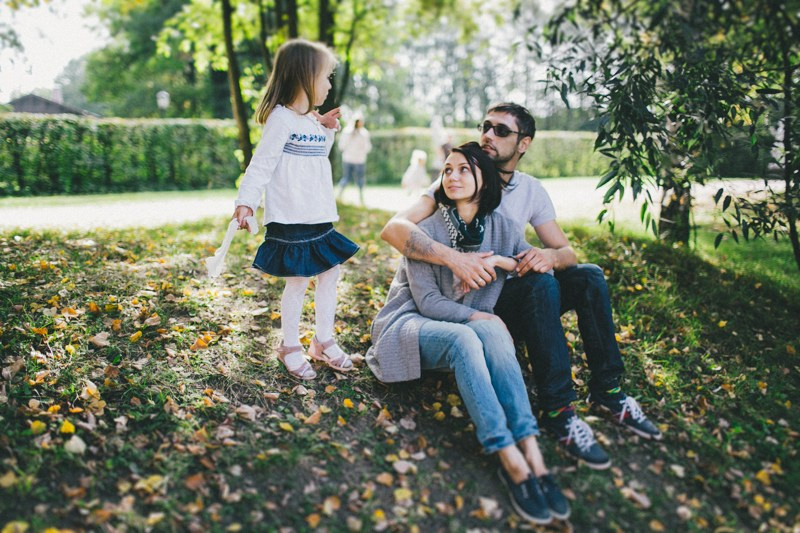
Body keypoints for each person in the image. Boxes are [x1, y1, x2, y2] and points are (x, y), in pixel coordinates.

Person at [380, 103, 662, 470]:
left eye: (501, 131)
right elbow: (394, 228)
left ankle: (609, 391)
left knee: (587, 276)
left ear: (523, 143)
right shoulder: (455, 179)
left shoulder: (530, 190)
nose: (488, 136)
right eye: (486, 127)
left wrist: (548, 257)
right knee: (540, 287)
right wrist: (454, 259)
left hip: (509, 287)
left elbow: (567, 251)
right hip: (473, 299)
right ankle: (558, 408)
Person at [367, 142, 570, 526]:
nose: (453, 176)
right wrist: (478, 314)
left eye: (463, 169)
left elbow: (535, 263)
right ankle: (508, 459)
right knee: (473, 333)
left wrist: (500, 260)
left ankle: (536, 459)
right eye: (447, 170)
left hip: (464, 322)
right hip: (409, 322)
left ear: (484, 178)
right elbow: (427, 302)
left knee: (492, 333)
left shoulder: (503, 227)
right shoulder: (424, 231)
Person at [233, 38, 359, 381]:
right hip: (291, 217)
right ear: (306, 76)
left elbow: (316, 160)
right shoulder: (281, 119)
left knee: (330, 273)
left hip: (318, 214)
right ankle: (290, 345)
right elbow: (260, 166)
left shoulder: (311, 121)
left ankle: (323, 340)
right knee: (299, 280)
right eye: (326, 77)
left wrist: (329, 131)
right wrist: (245, 202)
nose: (330, 85)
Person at [336, 113, 372, 206]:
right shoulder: (363, 133)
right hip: (358, 160)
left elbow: (341, 146)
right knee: (358, 179)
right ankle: (360, 197)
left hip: (349, 159)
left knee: (346, 178)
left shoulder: (347, 132)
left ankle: (340, 195)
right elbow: (368, 148)